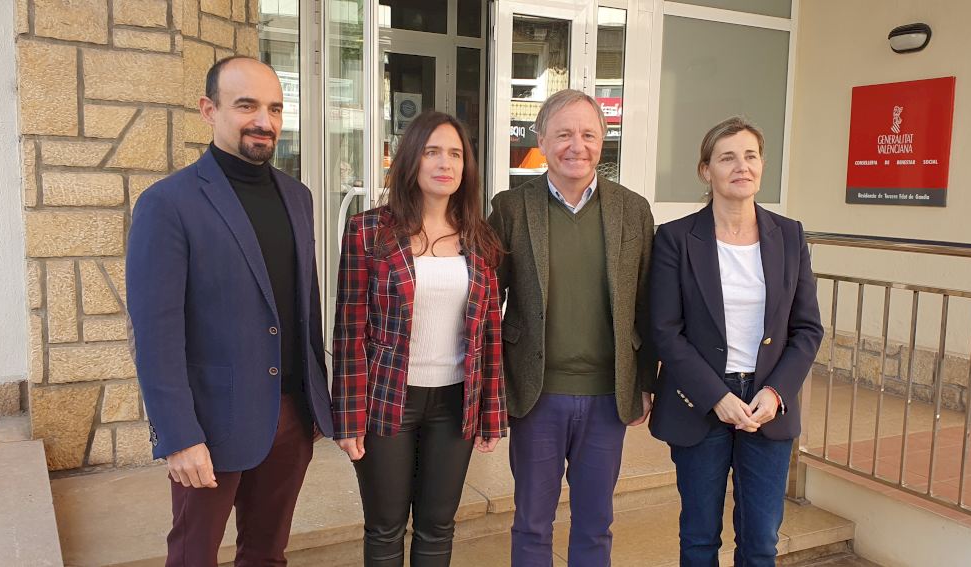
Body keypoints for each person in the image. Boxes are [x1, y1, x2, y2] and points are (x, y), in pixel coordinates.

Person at [127, 56, 333, 566]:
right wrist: (178, 436)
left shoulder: (298, 197)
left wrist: (314, 402)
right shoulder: (168, 203)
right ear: (209, 110)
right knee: (193, 556)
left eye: (275, 108)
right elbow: (155, 335)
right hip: (210, 425)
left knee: (267, 553)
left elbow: (304, 306)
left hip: (291, 416)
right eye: (246, 106)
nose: (264, 121)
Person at [487, 89, 657, 566]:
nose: (576, 146)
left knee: (595, 524)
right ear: (541, 140)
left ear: (603, 141)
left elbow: (647, 304)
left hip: (606, 395)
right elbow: (487, 302)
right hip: (536, 394)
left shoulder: (633, 210)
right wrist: (489, 386)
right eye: (563, 134)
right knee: (532, 523)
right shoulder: (511, 208)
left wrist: (645, 382)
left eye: (588, 134)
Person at [332, 111, 507, 567]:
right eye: (432, 152)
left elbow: (489, 332)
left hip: (454, 402)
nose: (445, 163)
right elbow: (349, 330)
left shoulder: (481, 238)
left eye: (455, 154)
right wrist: (348, 417)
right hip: (387, 398)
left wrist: (491, 413)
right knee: (385, 526)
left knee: (437, 526)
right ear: (412, 160)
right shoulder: (368, 230)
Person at [648, 116, 824, 566]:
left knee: (761, 541)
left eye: (750, 156)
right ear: (705, 170)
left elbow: (807, 328)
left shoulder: (789, 235)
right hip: (700, 404)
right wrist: (716, 396)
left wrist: (776, 391)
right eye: (727, 157)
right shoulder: (675, 238)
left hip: (767, 406)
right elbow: (665, 330)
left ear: (761, 165)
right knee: (699, 538)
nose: (741, 166)